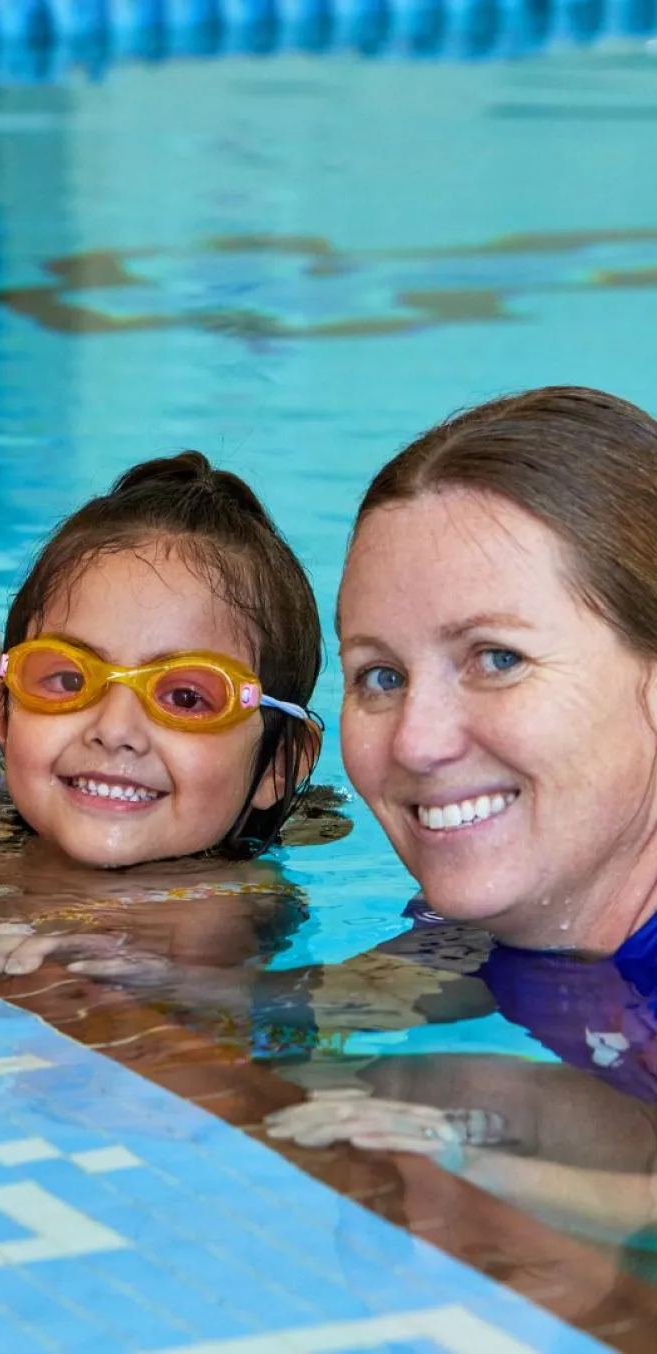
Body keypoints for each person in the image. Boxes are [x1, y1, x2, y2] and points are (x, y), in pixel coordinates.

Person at [265, 386, 657, 1259]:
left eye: (497, 658)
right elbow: (307, 1016)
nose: (417, 741)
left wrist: (462, 1157)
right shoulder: (505, 911)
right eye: (381, 676)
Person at [0, 450, 328, 968]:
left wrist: (123, 961)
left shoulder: (234, 904)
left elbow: (221, 993)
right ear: (3, 715)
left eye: (186, 697)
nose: (114, 729)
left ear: (281, 764)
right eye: (69, 679)